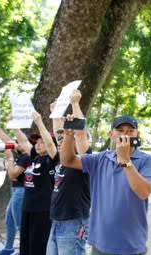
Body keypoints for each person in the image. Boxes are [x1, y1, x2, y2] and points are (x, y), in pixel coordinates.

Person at [61, 115, 151, 255]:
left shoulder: (147, 160)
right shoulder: (100, 158)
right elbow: (67, 161)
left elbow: (143, 192)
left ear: (138, 134)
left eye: (131, 131)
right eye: (120, 130)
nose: (125, 134)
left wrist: (125, 160)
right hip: (100, 244)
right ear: (111, 134)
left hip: (130, 246)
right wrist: (69, 135)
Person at [46, 89, 91, 255]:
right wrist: (55, 114)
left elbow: (80, 134)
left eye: (64, 139)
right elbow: (59, 132)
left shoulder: (82, 160)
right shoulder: (61, 159)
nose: (60, 142)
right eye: (59, 139)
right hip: (57, 222)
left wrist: (75, 104)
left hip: (73, 224)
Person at [20, 112, 58, 255]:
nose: (38, 145)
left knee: (38, 246)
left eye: (42, 142)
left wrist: (39, 122)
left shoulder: (53, 160)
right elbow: (23, 142)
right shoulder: (35, 158)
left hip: (43, 211)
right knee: (25, 244)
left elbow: (50, 144)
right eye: (37, 142)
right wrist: (15, 127)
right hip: (28, 208)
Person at [0, 123, 32, 255]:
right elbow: (6, 140)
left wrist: (9, 158)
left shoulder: (27, 157)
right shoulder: (21, 155)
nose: (16, 144)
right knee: (9, 220)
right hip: (15, 191)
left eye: (20, 142)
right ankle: (8, 247)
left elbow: (13, 174)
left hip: (21, 192)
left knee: (20, 224)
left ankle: (23, 250)